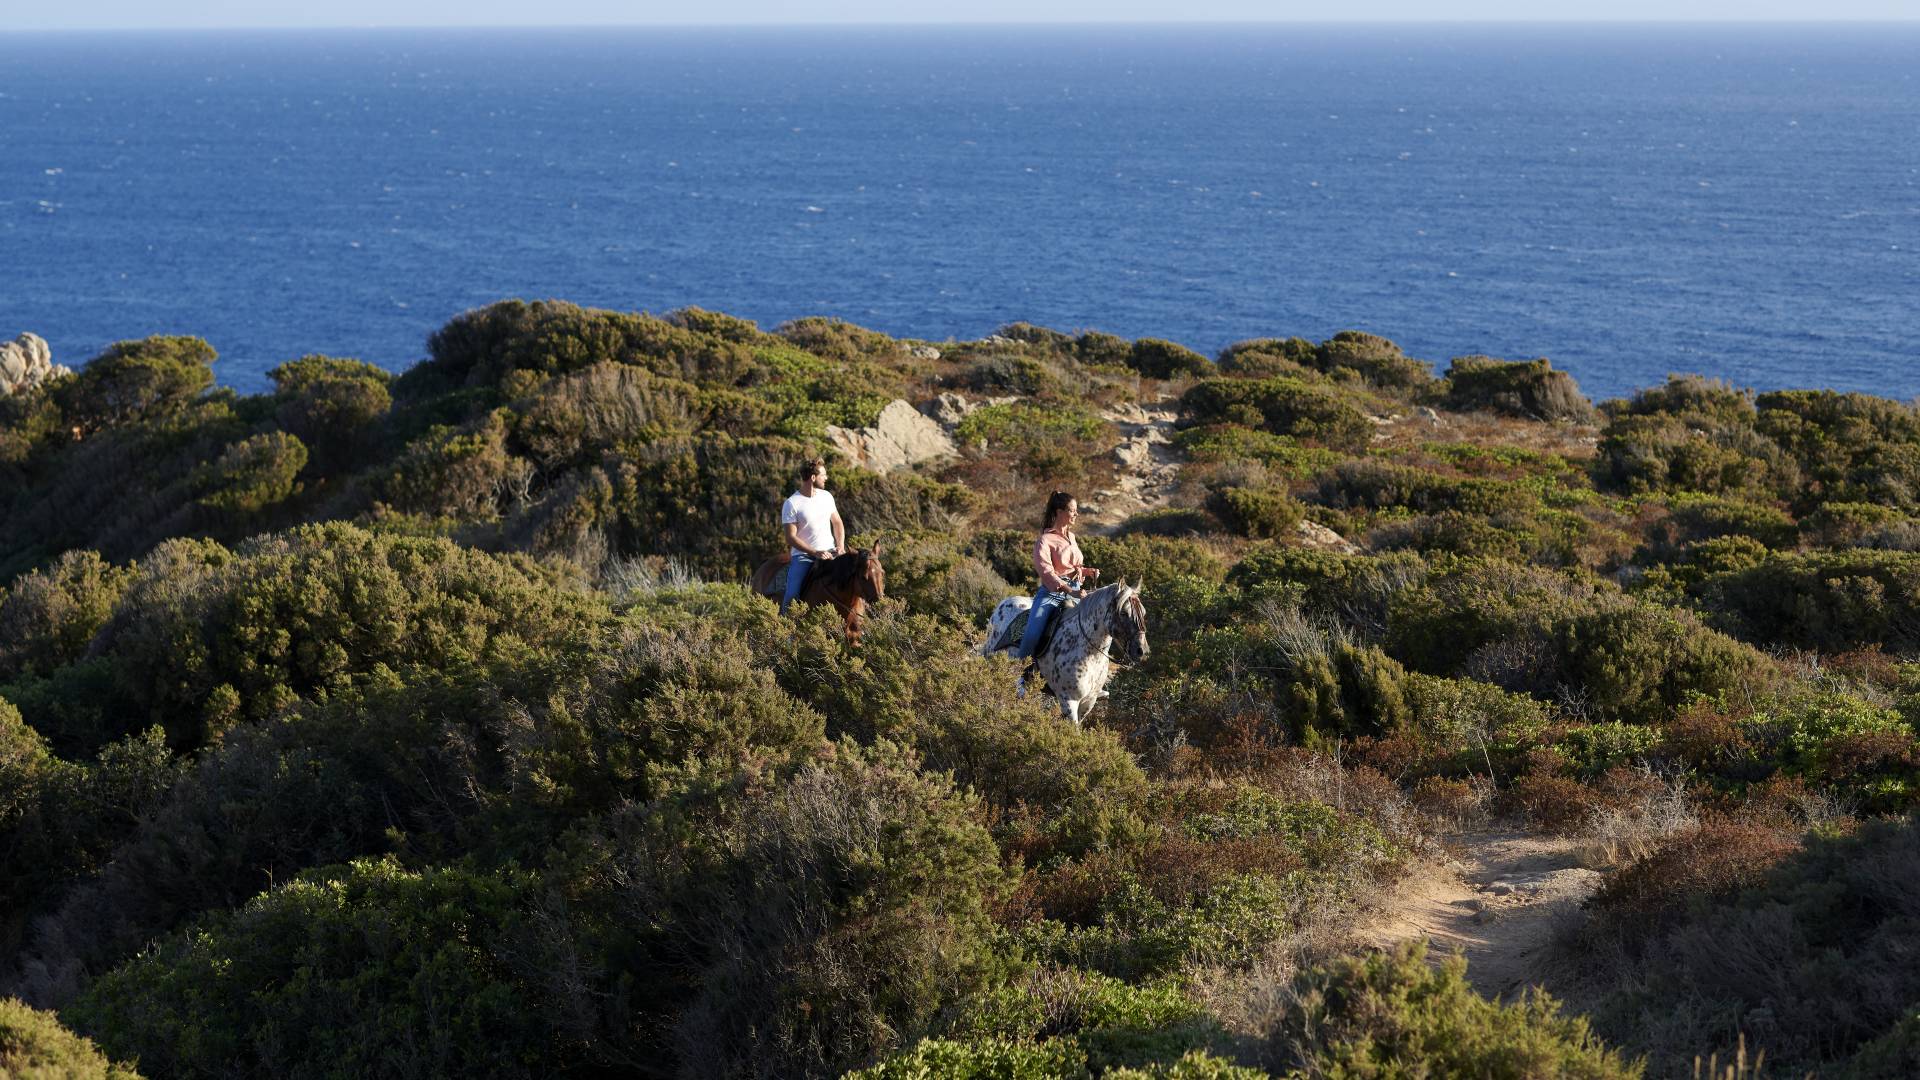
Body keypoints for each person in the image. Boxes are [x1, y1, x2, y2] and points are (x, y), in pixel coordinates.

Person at [1011, 491, 1100, 691]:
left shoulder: (1073, 537)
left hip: (1077, 591)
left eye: (1077, 511)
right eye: (1072, 511)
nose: (1076, 514)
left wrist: (1087, 571)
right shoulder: (1045, 540)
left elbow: (1071, 566)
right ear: (1059, 512)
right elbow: (1047, 572)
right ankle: (1018, 677)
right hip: (1052, 594)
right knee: (1033, 633)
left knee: (1095, 626)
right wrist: (1069, 590)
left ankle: (1093, 679)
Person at [780, 458, 845, 615]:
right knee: (792, 595)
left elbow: (837, 523)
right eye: (824, 475)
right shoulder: (792, 503)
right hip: (804, 557)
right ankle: (786, 633)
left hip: (832, 552)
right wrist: (815, 552)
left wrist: (841, 546)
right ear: (813, 478)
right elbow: (790, 538)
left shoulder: (827, 497)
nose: (826, 478)